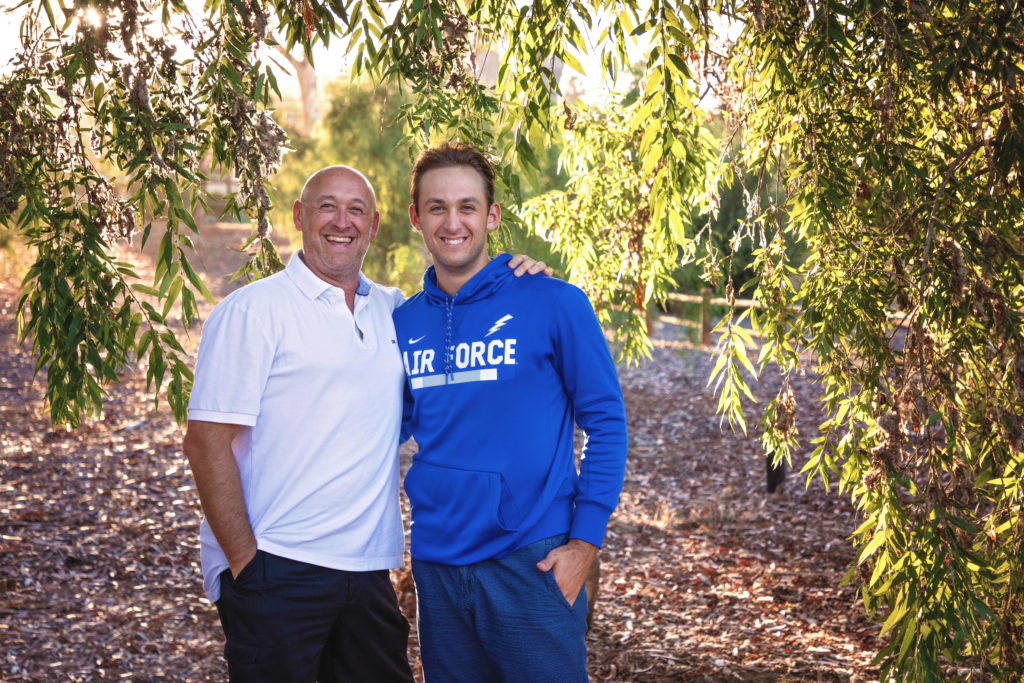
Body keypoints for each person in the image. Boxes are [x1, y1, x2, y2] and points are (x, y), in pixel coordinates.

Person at [182, 165, 544, 682]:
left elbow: (466, 320)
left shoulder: (394, 313)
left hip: (369, 571)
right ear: (299, 216)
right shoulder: (253, 311)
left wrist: (516, 279)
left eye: (357, 210)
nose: (341, 221)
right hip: (278, 564)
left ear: (373, 227)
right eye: (327, 205)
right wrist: (246, 563)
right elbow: (204, 443)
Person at [393, 142, 629, 682]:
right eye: (437, 207)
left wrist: (585, 543)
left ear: (492, 216)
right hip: (437, 565)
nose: (453, 222)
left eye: (468, 206)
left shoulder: (553, 302)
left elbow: (607, 423)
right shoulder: (402, 322)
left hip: (533, 560)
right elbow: (380, 429)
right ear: (416, 218)